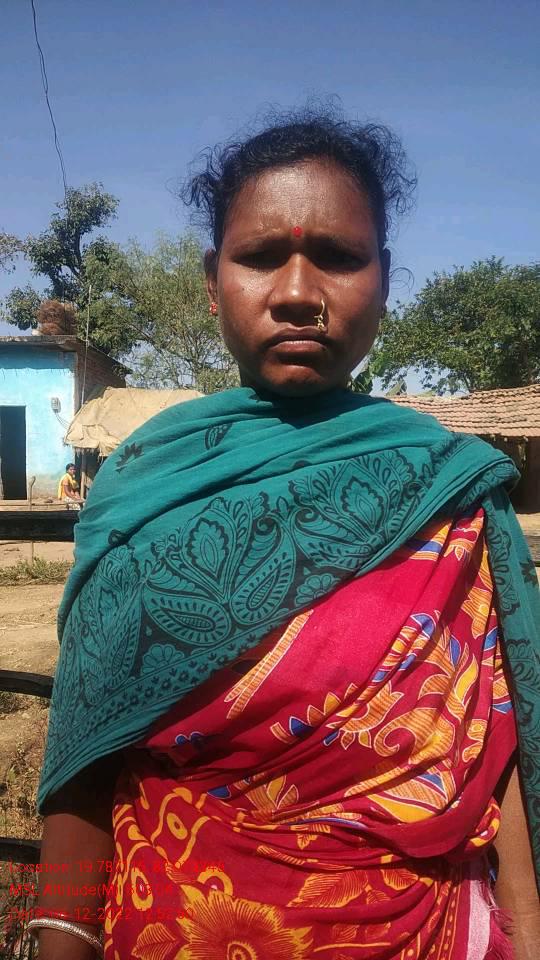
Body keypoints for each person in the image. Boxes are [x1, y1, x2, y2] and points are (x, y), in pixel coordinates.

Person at [33, 108, 540, 960]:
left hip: (428, 935)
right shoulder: (145, 487)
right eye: (262, 256)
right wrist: (61, 940)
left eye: (338, 257)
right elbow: (86, 761)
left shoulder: (450, 488)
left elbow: (502, 740)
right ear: (212, 281)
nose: (299, 292)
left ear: (385, 281)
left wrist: (527, 928)